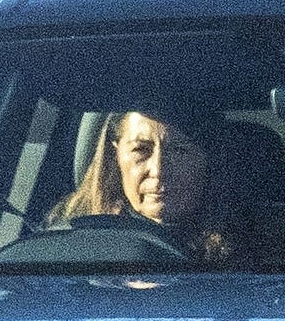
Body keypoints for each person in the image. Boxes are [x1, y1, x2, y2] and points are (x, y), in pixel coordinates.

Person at [47, 108, 242, 261]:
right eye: (141, 149)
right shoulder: (68, 244)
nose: (158, 170)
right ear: (115, 154)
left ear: (208, 159)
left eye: (180, 151)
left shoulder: (255, 248)